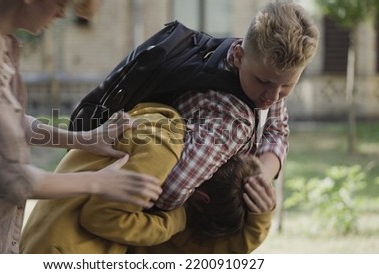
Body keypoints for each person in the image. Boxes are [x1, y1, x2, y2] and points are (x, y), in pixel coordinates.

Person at [0, 0, 162, 254]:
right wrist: (100, 182)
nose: (62, 14)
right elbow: (14, 181)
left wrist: (83, 139)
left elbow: (10, 121)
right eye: (61, 3)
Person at [20, 103, 274, 254]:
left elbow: (204, 252)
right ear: (200, 199)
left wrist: (258, 221)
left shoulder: (168, 141)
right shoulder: (160, 149)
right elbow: (101, 217)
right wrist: (176, 219)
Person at [154, 0, 320, 211]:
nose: (273, 96)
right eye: (264, 82)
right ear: (240, 56)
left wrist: (259, 178)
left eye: (287, 85)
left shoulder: (252, 60)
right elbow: (169, 194)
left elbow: (276, 131)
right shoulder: (231, 120)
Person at [129, 154, 274, 253]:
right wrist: (259, 221)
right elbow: (236, 248)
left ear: (200, 198)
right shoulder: (216, 247)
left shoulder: (153, 223)